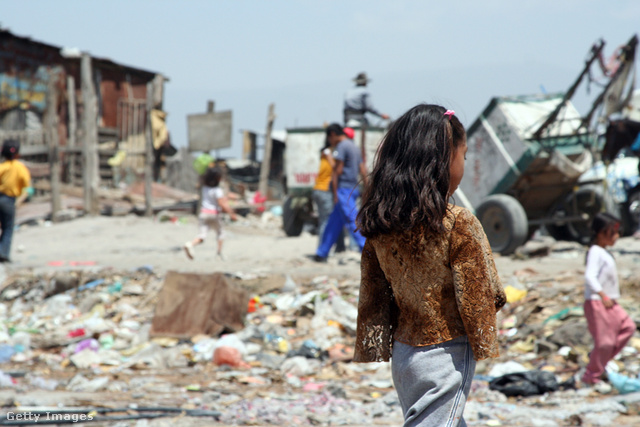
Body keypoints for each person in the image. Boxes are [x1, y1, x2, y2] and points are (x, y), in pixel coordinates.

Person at [353, 104, 506, 426]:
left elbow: (373, 296)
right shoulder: (458, 223)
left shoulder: (380, 227)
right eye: (463, 156)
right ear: (444, 160)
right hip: (447, 352)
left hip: (405, 355)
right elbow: (484, 294)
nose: (463, 165)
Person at [581, 212, 636, 389]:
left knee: (628, 327)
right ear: (601, 233)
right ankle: (591, 376)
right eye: (612, 233)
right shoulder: (595, 251)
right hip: (598, 302)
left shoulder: (604, 252)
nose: (617, 237)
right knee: (604, 343)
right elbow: (590, 276)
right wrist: (603, 295)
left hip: (610, 301)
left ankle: (598, 362)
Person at [313, 124, 367, 262]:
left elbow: (337, 171)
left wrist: (336, 193)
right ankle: (321, 253)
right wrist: (367, 187)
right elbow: (363, 169)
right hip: (353, 188)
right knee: (334, 221)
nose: (329, 142)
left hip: (344, 189)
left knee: (352, 220)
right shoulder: (354, 147)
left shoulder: (342, 146)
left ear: (332, 134)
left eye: (329, 138)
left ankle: (367, 250)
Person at [184, 166, 237, 260]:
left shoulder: (205, 188)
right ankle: (219, 253)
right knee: (220, 233)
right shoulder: (217, 190)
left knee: (202, 235)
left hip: (203, 213)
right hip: (214, 214)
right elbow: (221, 204)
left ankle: (190, 244)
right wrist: (231, 213)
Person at [312, 135, 346, 253]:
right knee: (326, 222)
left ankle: (339, 247)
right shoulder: (330, 154)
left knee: (332, 219)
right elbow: (336, 169)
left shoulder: (325, 153)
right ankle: (321, 251)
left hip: (319, 189)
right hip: (325, 190)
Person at [0, 139, 31, 263]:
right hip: (8, 200)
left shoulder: (2, 167)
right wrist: (20, 201)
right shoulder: (20, 168)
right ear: (17, 153)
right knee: (8, 227)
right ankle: (3, 253)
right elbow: (27, 188)